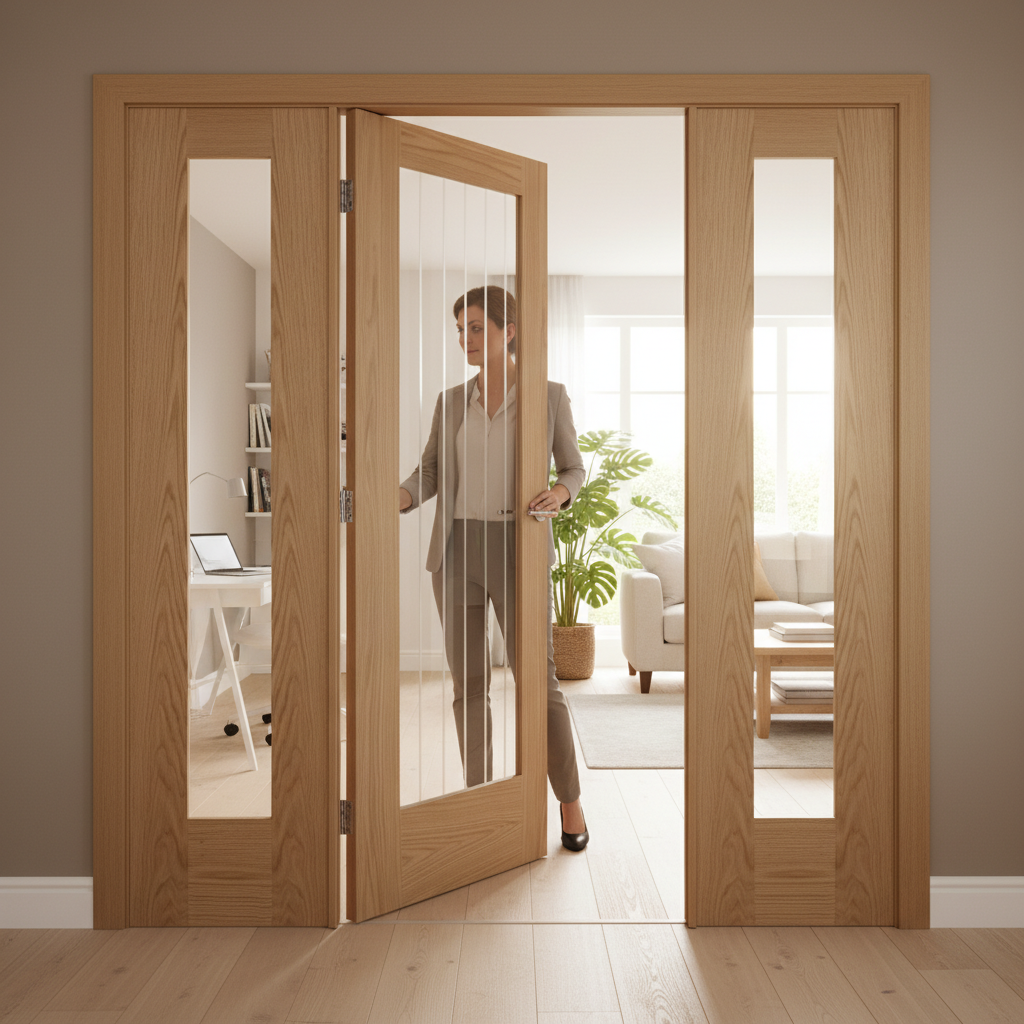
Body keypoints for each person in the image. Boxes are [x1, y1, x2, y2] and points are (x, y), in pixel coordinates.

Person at [399, 285, 589, 851]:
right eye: (461, 330)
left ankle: (571, 803)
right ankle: (479, 800)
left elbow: (575, 468)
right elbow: (429, 471)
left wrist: (560, 491)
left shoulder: (548, 397)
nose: (467, 339)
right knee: (470, 684)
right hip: (457, 553)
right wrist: (402, 496)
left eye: (476, 327)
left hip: (518, 550)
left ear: (510, 331)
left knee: (540, 684)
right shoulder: (451, 401)